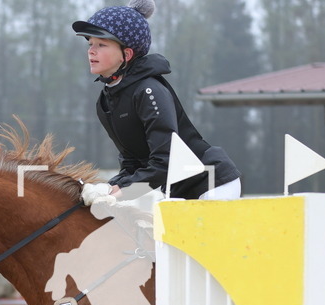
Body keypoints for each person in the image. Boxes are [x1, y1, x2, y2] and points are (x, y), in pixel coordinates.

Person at [72, 0, 241, 200]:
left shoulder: (149, 91)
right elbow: (131, 163)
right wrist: (107, 188)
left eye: (101, 44)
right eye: (90, 43)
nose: (91, 50)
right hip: (173, 189)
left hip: (209, 184)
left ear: (126, 54)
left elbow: (165, 160)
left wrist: (122, 192)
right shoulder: (105, 101)